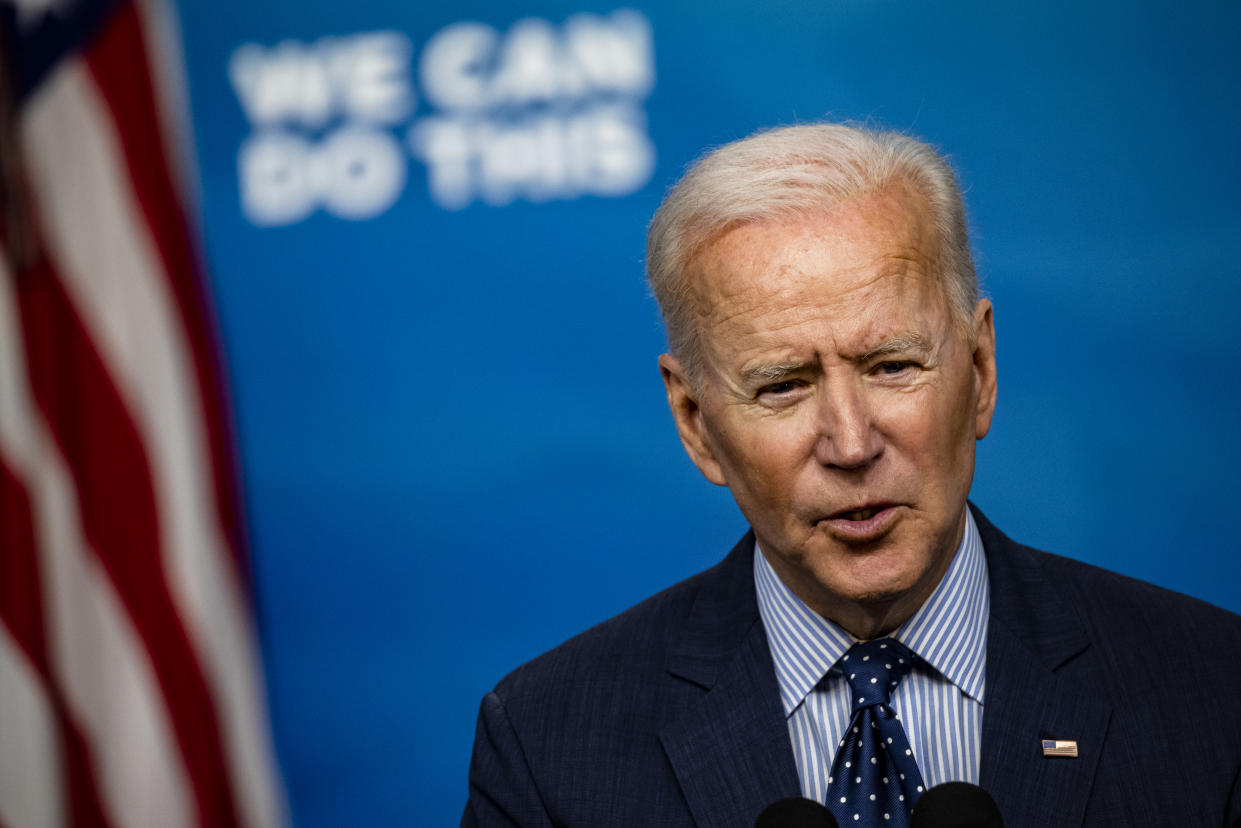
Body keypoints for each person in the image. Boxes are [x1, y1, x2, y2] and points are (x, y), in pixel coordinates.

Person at [461, 124, 1241, 827]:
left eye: (892, 365)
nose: (849, 441)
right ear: (695, 424)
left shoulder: (1212, 692)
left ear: (979, 368)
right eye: (782, 385)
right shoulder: (547, 746)